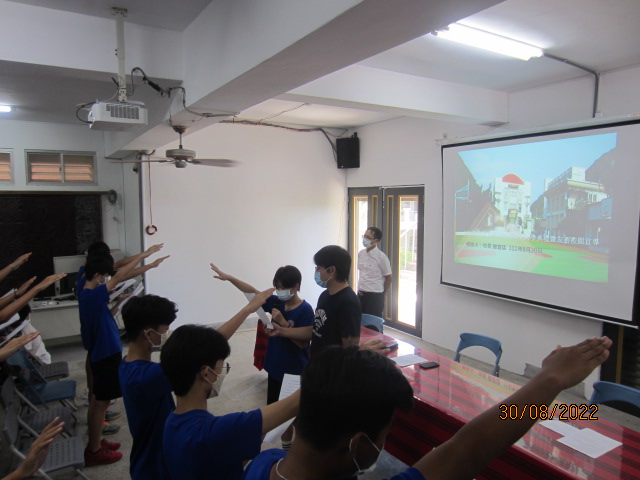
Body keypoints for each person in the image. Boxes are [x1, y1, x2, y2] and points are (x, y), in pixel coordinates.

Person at [242, 336, 612, 480]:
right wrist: (550, 380)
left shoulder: (261, 465)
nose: (382, 446)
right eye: (383, 438)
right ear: (357, 444)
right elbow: (467, 449)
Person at [160, 289, 300, 480]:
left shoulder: (171, 423)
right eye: (220, 366)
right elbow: (293, 404)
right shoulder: (218, 431)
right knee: (270, 458)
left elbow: (224, 460)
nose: (221, 372)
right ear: (207, 374)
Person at [80, 248, 166, 466]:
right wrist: (144, 255)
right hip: (104, 353)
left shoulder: (91, 296)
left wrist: (119, 303)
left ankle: (96, 442)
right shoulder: (90, 294)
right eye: (105, 277)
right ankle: (94, 450)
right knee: (101, 401)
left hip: (105, 350)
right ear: (98, 275)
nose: (108, 280)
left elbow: (105, 314)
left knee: (101, 399)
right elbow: (120, 276)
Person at [210, 263, 314, 404]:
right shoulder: (277, 302)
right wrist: (229, 278)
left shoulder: (305, 310)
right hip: (274, 366)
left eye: (283, 287)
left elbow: (302, 344)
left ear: (296, 286)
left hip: (293, 370)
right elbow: (253, 292)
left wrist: (283, 323)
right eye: (277, 287)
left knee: (289, 410)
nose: (279, 291)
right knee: (273, 405)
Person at [119, 295, 178, 480]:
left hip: (145, 460)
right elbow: (204, 349)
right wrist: (246, 310)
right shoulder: (147, 377)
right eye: (165, 330)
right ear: (149, 334)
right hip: (156, 467)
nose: (167, 334)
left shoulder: (127, 365)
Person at [269, 246, 362, 356]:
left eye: (318, 268)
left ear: (332, 270)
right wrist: (281, 331)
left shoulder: (348, 302)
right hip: (317, 361)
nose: (316, 272)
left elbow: (350, 348)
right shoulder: (325, 295)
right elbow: (317, 330)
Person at [357, 227, 392, 318]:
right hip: (361, 293)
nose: (365, 239)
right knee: (359, 320)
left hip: (375, 296)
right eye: (364, 236)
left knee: (373, 323)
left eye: (368, 237)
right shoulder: (361, 253)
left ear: (376, 241)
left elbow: (388, 278)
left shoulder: (381, 257)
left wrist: (382, 293)